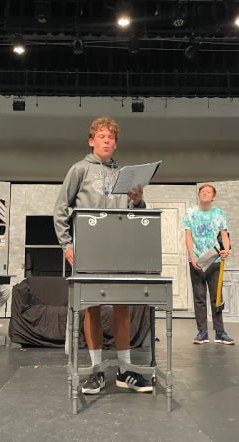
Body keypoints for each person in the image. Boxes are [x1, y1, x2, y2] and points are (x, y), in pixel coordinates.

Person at [54, 116, 152, 395]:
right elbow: (61, 209)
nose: (108, 141)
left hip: (120, 251)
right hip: (90, 251)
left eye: (112, 137)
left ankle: (125, 371)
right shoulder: (79, 170)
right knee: (93, 308)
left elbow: (135, 212)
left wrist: (137, 201)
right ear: (92, 140)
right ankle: (96, 372)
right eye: (103, 136)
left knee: (123, 309)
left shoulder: (124, 174)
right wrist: (67, 245)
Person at [181, 184, 235, 345]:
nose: (204, 194)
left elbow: (224, 235)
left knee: (216, 298)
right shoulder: (190, 213)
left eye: (208, 192)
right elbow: (188, 237)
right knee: (199, 298)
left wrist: (227, 250)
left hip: (215, 260)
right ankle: (202, 332)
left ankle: (220, 332)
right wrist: (192, 257)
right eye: (202, 192)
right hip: (197, 261)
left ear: (213, 197)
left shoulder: (219, 213)